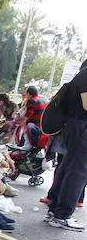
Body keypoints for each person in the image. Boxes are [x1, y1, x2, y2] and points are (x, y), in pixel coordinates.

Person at [45, 59, 87, 231]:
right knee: (78, 171)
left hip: (75, 126)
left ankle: (56, 209)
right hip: (82, 126)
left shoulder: (82, 74)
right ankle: (62, 214)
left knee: (68, 167)